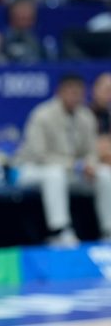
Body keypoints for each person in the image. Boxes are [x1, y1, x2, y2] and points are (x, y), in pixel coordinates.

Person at [15, 74, 111, 246]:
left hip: (71, 172)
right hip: (32, 170)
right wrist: (76, 165)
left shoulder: (86, 116)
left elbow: (91, 151)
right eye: (71, 92)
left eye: (79, 93)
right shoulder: (42, 114)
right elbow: (39, 155)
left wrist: (90, 164)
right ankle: (60, 231)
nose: (75, 97)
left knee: (105, 174)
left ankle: (108, 230)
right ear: (60, 92)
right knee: (55, 174)